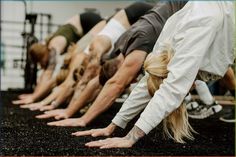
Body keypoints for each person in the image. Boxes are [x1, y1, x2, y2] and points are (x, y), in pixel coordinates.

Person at [72, 1, 235, 148]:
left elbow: (174, 87)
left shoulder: (201, 21)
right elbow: (150, 80)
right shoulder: (171, 35)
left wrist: (131, 137)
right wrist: (113, 125)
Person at [42, 1, 187, 126]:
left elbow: (116, 84)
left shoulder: (138, 46)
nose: (132, 81)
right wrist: (69, 111)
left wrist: (83, 120)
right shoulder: (118, 47)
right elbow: (98, 81)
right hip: (157, 12)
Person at [31, 2, 154, 113]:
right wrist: (50, 103)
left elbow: (73, 84)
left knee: (101, 73)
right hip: (112, 23)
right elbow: (70, 85)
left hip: (133, 14)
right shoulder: (78, 64)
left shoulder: (82, 59)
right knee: (106, 72)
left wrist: (63, 108)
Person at [12, 12, 103, 105]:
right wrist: (34, 94)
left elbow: (48, 74)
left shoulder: (54, 46)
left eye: (41, 61)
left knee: (78, 63)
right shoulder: (48, 46)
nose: (42, 64)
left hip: (92, 23)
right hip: (84, 22)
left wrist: (34, 98)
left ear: (42, 56)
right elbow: (45, 74)